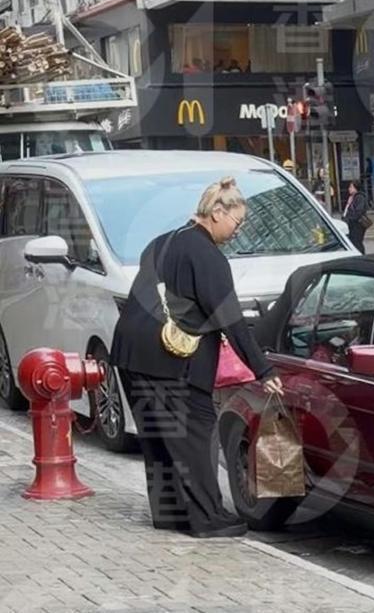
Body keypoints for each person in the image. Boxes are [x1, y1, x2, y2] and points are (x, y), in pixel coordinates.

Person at [110, 177, 283, 538]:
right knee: (196, 433)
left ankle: (170, 514)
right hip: (171, 361)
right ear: (217, 212)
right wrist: (263, 369)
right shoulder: (208, 256)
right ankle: (207, 519)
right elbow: (231, 319)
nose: (238, 230)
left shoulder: (162, 242)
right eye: (237, 221)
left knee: (158, 437)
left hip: (129, 351)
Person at [343, 180, 369, 254]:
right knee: (353, 242)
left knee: (357, 242)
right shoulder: (352, 197)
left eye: (351, 187)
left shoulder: (360, 197)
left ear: (356, 188)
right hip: (352, 223)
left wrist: (350, 218)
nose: (349, 189)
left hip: (357, 224)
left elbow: (358, 211)